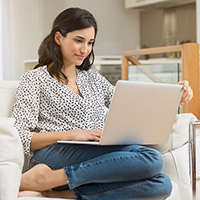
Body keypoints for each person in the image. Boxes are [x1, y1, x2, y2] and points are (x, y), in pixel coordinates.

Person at [12, 7, 193, 200]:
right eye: (78, 40)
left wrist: (175, 93)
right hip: (53, 155)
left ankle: (58, 189)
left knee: (162, 185)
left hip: (97, 155)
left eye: (90, 43)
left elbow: (134, 102)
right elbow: (21, 135)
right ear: (58, 38)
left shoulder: (93, 78)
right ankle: (48, 177)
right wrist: (73, 134)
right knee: (152, 159)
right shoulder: (34, 79)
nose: (85, 50)